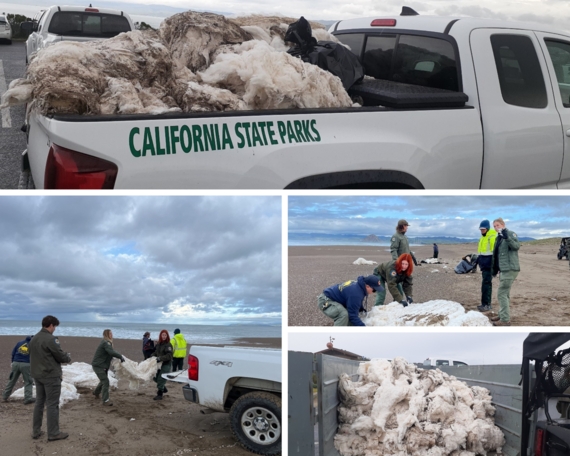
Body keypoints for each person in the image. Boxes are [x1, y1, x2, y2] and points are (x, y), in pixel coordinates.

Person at [29, 315, 71, 441]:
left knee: (39, 402)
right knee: (52, 404)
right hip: (50, 375)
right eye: (55, 327)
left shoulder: (34, 339)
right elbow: (60, 356)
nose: (55, 329)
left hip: (37, 375)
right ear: (51, 325)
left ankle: (36, 431)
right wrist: (68, 357)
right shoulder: (51, 339)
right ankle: (53, 433)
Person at [318, 275, 384, 326]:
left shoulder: (360, 285)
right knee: (343, 314)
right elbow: (352, 316)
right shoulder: (356, 294)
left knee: (352, 317)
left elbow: (355, 303)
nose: (374, 292)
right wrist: (364, 329)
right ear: (367, 286)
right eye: (374, 290)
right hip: (325, 301)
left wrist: (361, 309)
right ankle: (336, 337)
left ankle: (349, 334)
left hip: (334, 300)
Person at [490, 218, 520, 327]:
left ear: (503, 225)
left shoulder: (510, 234)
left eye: (498, 225)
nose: (496, 228)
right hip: (503, 269)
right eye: (494, 226)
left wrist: (507, 237)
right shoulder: (499, 237)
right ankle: (502, 314)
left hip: (510, 269)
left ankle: (505, 319)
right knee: (505, 293)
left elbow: (516, 247)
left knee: (501, 293)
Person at [91, 329, 125, 407]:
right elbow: (111, 352)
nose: (111, 334)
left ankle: (96, 392)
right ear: (106, 334)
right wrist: (120, 356)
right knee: (105, 381)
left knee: (103, 380)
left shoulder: (106, 342)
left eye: (111, 333)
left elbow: (109, 353)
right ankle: (105, 401)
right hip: (98, 365)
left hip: (103, 365)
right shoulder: (106, 343)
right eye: (110, 333)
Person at [2, 336, 35, 404]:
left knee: (12, 380)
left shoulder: (20, 343)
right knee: (28, 381)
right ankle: (28, 398)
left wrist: (13, 361)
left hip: (16, 363)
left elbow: (13, 352)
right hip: (26, 364)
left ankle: (5, 395)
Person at [390, 220, 418, 298]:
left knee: (408, 281)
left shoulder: (404, 237)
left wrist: (413, 257)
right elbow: (393, 249)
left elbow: (407, 249)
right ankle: (398, 302)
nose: (407, 228)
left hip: (406, 264)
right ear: (402, 226)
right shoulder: (396, 236)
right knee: (399, 284)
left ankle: (409, 298)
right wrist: (396, 261)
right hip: (400, 265)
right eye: (406, 226)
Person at [476, 220, 497, 312]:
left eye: (483, 229)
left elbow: (495, 252)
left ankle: (486, 304)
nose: (481, 231)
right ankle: (485, 304)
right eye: (480, 229)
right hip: (484, 264)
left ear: (487, 228)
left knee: (486, 284)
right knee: (486, 284)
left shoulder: (491, 237)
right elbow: (481, 251)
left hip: (489, 264)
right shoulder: (483, 237)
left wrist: (495, 266)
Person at [151, 330, 173, 400]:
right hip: (158, 364)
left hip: (166, 364)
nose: (164, 336)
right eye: (162, 335)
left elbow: (169, 356)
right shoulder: (159, 344)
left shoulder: (168, 345)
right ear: (160, 336)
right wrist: (152, 356)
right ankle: (163, 388)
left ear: (167, 336)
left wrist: (160, 358)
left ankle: (160, 394)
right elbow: (156, 352)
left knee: (161, 379)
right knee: (154, 377)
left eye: (165, 335)